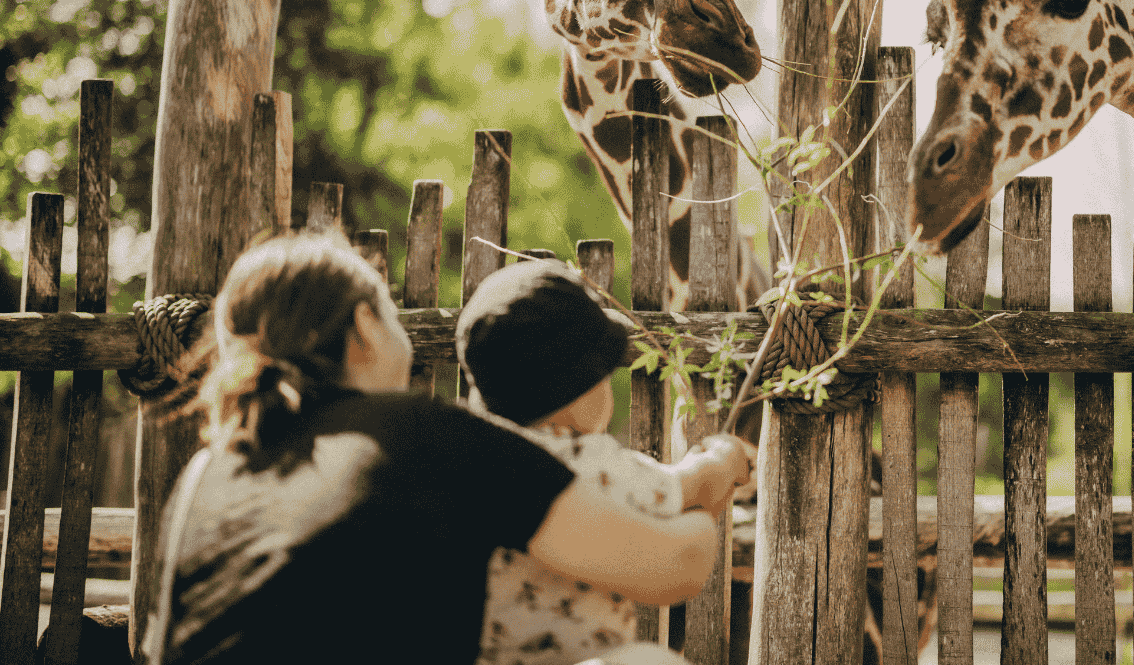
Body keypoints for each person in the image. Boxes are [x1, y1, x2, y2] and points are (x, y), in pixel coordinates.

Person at [142, 232, 736, 665]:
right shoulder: (421, 437)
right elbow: (672, 567)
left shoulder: (208, 472)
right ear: (367, 328)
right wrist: (711, 487)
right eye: (392, 313)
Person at [455, 259, 752, 665]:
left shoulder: (470, 460)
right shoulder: (587, 462)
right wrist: (724, 459)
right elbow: (686, 488)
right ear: (579, 392)